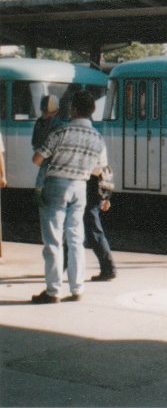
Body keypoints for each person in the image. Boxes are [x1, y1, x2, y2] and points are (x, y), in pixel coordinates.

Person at [31, 90, 108, 304]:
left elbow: (37, 159)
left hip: (56, 185)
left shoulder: (60, 132)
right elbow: (99, 170)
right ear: (92, 111)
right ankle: (77, 289)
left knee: (53, 240)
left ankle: (53, 290)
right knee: (76, 238)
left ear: (73, 109)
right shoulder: (97, 138)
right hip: (80, 187)